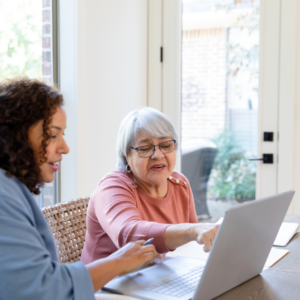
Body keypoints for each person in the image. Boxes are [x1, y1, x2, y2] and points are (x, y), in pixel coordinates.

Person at [0, 79, 161, 300]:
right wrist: (119, 262)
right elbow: (42, 287)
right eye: (53, 134)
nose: (64, 148)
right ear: (17, 135)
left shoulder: (12, 188)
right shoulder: (3, 196)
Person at [81, 107, 220, 264]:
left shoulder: (180, 184)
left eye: (166, 145)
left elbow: (193, 246)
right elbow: (129, 236)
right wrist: (192, 231)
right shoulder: (112, 187)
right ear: (126, 155)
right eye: (145, 148)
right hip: (108, 284)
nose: (158, 155)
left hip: (161, 277)